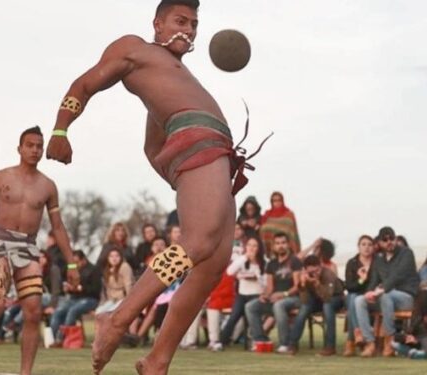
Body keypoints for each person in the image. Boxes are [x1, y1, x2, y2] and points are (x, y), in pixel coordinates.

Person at [46, 0, 261, 372]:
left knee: (213, 263)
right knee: (198, 240)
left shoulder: (174, 74)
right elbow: (84, 83)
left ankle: (157, 360)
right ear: (157, 24)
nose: (189, 29)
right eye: (181, 20)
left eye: (194, 24)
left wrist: (186, 182)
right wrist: (61, 129)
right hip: (198, 142)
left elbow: (152, 146)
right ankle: (118, 318)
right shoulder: (135, 48)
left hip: (214, 152)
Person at [0, 126, 79, 375]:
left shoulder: (48, 186)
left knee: (33, 312)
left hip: (28, 248)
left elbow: (58, 227)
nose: (35, 150)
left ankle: (25, 372)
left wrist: (72, 263)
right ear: (19, 148)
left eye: (39, 146)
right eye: (30, 145)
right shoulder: (0, 177)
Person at [355, 226, 419, 357]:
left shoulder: (406, 253)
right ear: (379, 242)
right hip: (385, 297)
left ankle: (390, 341)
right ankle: (370, 342)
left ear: (395, 239)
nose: (389, 242)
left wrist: (380, 290)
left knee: (385, 295)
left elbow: (397, 276)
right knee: (359, 300)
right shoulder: (379, 258)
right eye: (385, 239)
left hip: (405, 296)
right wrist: (369, 293)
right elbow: (374, 280)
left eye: (392, 238)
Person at [245, 232, 303, 353]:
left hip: (293, 298)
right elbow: (270, 287)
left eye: (283, 243)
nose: (280, 246)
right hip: (275, 298)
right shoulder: (271, 264)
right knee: (250, 306)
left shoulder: (295, 261)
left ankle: (285, 343)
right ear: (274, 246)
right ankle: (261, 340)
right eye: (277, 243)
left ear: (288, 244)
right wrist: (265, 295)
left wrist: (283, 294)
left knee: (279, 305)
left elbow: (297, 286)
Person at [290, 255, 344, 356]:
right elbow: (304, 300)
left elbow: (328, 297)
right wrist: (303, 285)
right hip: (317, 299)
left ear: (321, 266)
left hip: (334, 298)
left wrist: (317, 284)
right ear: (305, 270)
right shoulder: (306, 277)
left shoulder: (328, 274)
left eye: (317, 271)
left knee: (327, 306)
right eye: (311, 272)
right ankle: (292, 344)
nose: (315, 274)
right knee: (304, 308)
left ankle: (330, 346)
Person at [220, 236, 266, 346]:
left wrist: (256, 275)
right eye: (249, 245)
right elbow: (230, 272)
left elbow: (265, 282)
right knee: (234, 316)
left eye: (254, 246)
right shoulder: (242, 259)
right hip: (242, 294)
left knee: (252, 318)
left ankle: (254, 341)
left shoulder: (264, 261)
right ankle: (222, 341)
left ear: (259, 248)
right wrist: (245, 257)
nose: (251, 248)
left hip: (256, 294)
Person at [50, 251, 102, 347]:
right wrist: (68, 289)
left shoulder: (94, 270)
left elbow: (96, 290)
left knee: (73, 311)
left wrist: (80, 288)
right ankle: (54, 338)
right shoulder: (73, 270)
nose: (75, 264)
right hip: (75, 298)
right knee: (58, 311)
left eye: (77, 262)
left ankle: (62, 338)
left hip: (90, 299)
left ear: (83, 260)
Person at [343, 235, 374, 356]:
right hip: (356, 295)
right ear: (358, 247)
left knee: (353, 299)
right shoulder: (352, 263)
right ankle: (357, 334)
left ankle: (351, 341)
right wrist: (362, 280)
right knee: (352, 297)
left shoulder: (377, 262)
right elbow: (349, 286)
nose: (367, 247)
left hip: (371, 296)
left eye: (370, 244)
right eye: (363, 244)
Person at [391, 290, 427, 360]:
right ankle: (417, 353)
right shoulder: (416, 315)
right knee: (394, 343)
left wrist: (417, 340)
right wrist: (407, 338)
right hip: (416, 344)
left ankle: (419, 354)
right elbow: (408, 331)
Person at [260, 192, 300, 258]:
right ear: (271, 202)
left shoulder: (289, 214)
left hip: (286, 250)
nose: (277, 202)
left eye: (279, 200)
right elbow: (263, 231)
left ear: (282, 201)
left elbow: (293, 232)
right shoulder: (267, 215)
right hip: (270, 251)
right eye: (274, 200)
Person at [96, 248, 134, 315]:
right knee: (99, 312)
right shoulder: (107, 269)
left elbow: (129, 285)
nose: (114, 258)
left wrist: (130, 302)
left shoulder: (124, 267)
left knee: (111, 313)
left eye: (117, 256)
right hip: (112, 300)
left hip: (123, 298)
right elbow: (106, 290)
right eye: (111, 256)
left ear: (121, 257)